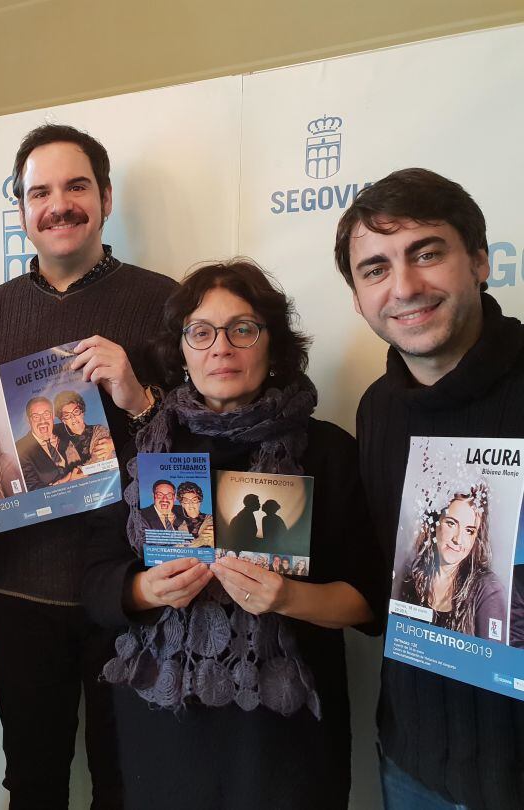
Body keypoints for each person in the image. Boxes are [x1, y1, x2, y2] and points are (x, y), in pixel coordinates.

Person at [82, 259, 382, 810]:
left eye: (243, 329)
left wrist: (291, 597)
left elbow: (371, 603)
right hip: (164, 724)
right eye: (201, 332)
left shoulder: (328, 451)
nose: (221, 347)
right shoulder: (140, 450)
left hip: (283, 738)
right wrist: (148, 590)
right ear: (181, 350)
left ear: (273, 343)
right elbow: (95, 581)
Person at [0, 123, 177, 809]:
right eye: (38, 192)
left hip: (128, 592)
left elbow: (193, 441)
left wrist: (139, 394)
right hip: (18, 590)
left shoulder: (161, 300)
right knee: (33, 783)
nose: (58, 205)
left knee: (124, 782)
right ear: (21, 210)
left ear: (105, 197)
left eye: (76, 186)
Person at [334, 167, 524, 809]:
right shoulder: (376, 410)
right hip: (414, 763)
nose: (405, 286)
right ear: (359, 298)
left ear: (479, 261)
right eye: (375, 268)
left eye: (427, 253)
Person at [397, 483, 507, 641]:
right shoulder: (411, 578)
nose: (458, 540)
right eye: (451, 523)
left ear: (476, 537)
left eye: (469, 530)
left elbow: (493, 662)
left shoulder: (488, 590)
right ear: (435, 523)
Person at [15, 395, 82, 490]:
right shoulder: (20, 449)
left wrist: (109, 442)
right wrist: (67, 483)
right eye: (36, 417)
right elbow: (32, 489)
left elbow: (88, 433)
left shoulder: (64, 429)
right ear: (28, 420)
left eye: (46, 414)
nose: (42, 421)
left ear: (53, 415)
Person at [55, 389, 114, 464]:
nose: (73, 418)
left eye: (76, 411)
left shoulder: (99, 430)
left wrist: (78, 473)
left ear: (82, 412)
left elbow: (100, 460)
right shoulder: (61, 443)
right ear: (63, 420)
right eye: (67, 415)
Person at [177, 481, 214, 547]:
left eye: (194, 500)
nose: (190, 504)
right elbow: (179, 550)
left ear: (199, 501)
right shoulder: (177, 525)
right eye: (186, 501)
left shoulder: (212, 520)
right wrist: (201, 540)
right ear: (182, 504)